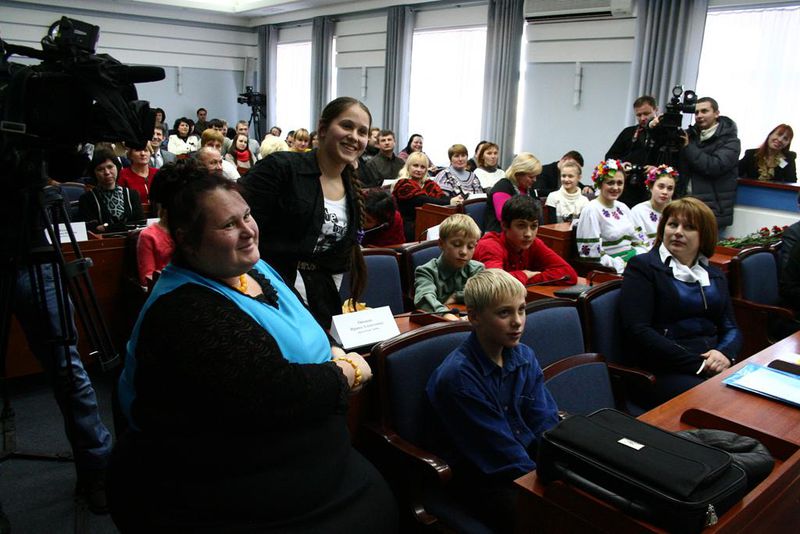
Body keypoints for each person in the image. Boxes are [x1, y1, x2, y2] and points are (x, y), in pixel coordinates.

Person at [110, 166, 397, 532]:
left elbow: (305, 321)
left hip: (294, 446)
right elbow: (280, 393)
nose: (248, 230)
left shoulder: (254, 267)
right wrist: (349, 370)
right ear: (188, 240)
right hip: (223, 477)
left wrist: (334, 350)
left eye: (247, 215)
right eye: (228, 225)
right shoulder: (185, 310)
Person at [426, 269, 559, 533]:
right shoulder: (458, 378)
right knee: (554, 519)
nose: (518, 322)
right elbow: (497, 452)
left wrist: (559, 466)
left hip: (523, 461)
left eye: (522, 310)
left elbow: (544, 419)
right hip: (482, 477)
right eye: (504, 313)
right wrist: (550, 488)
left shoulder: (524, 355)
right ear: (474, 317)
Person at [239, 97, 371, 329]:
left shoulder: (351, 186)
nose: (354, 136)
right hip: (268, 294)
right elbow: (241, 233)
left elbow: (337, 257)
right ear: (322, 128)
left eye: (362, 131)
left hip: (319, 302)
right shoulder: (281, 167)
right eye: (347, 126)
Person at [621, 197, 742, 408]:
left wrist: (725, 354)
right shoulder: (643, 267)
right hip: (660, 370)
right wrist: (699, 364)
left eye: (689, 227)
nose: (678, 232)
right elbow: (638, 330)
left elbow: (731, 326)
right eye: (672, 224)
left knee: (747, 398)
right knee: (723, 403)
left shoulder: (714, 275)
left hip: (710, 363)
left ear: (704, 235)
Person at [475, 195, 577, 286]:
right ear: (504, 225)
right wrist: (524, 274)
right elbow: (495, 283)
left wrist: (528, 277)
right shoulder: (490, 245)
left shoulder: (534, 243)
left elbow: (569, 274)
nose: (528, 234)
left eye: (534, 226)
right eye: (521, 226)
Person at [676, 97, 741, 228]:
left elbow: (713, 166)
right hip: (685, 204)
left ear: (716, 113)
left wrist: (688, 147)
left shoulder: (731, 141)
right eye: (696, 112)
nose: (699, 116)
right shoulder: (690, 136)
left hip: (712, 211)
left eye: (704, 111)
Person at [575, 159, 648, 273]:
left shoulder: (623, 207)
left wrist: (637, 259)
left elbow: (640, 240)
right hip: (611, 270)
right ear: (600, 184)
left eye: (620, 183)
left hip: (633, 262)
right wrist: (621, 265)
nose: (615, 187)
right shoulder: (591, 210)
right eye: (610, 183)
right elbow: (591, 253)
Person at [414, 214, 484, 320]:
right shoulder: (426, 271)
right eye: (456, 244)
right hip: (438, 327)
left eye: (470, 247)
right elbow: (424, 299)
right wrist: (445, 315)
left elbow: (482, 294)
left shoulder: (477, 269)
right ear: (441, 244)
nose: (464, 252)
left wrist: (456, 296)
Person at [392, 151, 462, 241]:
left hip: (428, 225)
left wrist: (455, 200)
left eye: (422, 167)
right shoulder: (403, 183)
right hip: (407, 228)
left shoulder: (429, 184)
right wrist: (449, 201)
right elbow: (421, 200)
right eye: (415, 165)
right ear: (408, 166)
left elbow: (441, 197)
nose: (419, 170)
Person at [606, 95, 660, 207]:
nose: (642, 118)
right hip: (627, 190)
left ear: (656, 110)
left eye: (646, 113)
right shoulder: (628, 132)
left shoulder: (665, 135)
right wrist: (620, 165)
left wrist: (657, 170)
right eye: (639, 115)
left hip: (654, 191)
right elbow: (609, 158)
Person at [79, 149, 145, 233]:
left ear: (117, 168)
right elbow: (92, 229)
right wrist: (125, 226)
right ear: (94, 173)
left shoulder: (132, 194)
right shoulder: (87, 199)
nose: (107, 172)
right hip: (103, 244)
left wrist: (107, 227)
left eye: (110, 167)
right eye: (100, 169)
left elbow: (141, 224)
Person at [484, 152, 541, 233]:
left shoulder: (528, 189)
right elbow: (505, 218)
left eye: (536, 176)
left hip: (524, 234)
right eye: (531, 176)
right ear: (518, 173)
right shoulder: (502, 187)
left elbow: (538, 215)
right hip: (499, 236)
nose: (535, 180)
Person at [630, 165, 678, 248]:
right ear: (650, 187)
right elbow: (640, 244)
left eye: (670, 188)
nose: (665, 192)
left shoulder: (676, 211)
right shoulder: (638, 211)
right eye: (661, 187)